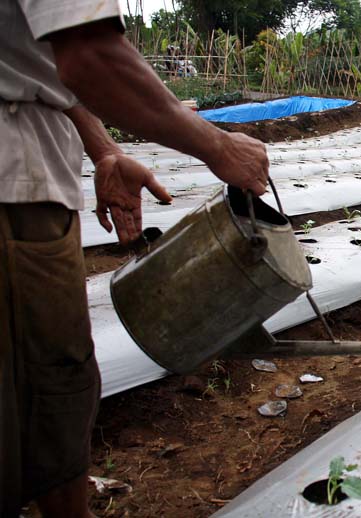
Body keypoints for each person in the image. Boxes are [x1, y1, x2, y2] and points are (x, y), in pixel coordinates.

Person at [0, 1, 269, 516]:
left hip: (26, 165)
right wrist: (217, 146)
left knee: (50, 392)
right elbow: (89, 55)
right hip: (12, 187)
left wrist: (104, 150)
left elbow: (46, 56)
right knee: (46, 392)